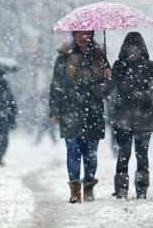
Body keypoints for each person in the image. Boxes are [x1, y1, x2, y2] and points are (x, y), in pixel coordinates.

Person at [49, 30, 110, 203]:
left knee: (91, 153)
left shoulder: (99, 55)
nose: (83, 38)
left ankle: (89, 187)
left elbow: (107, 88)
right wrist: (54, 109)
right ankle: (75, 189)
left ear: (92, 35)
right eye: (79, 34)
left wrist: (106, 78)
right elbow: (56, 84)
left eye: (87, 34)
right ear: (74, 36)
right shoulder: (64, 56)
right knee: (73, 151)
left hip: (93, 111)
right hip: (70, 110)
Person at [109, 32, 153, 199]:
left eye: (136, 48)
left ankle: (142, 190)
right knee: (123, 155)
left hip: (143, 119)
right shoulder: (118, 66)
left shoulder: (150, 66)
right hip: (123, 118)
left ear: (142, 49)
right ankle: (121, 190)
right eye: (130, 48)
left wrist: (146, 94)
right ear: (125, 49)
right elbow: (110, 90)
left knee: (142, 156)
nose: (133, 51)